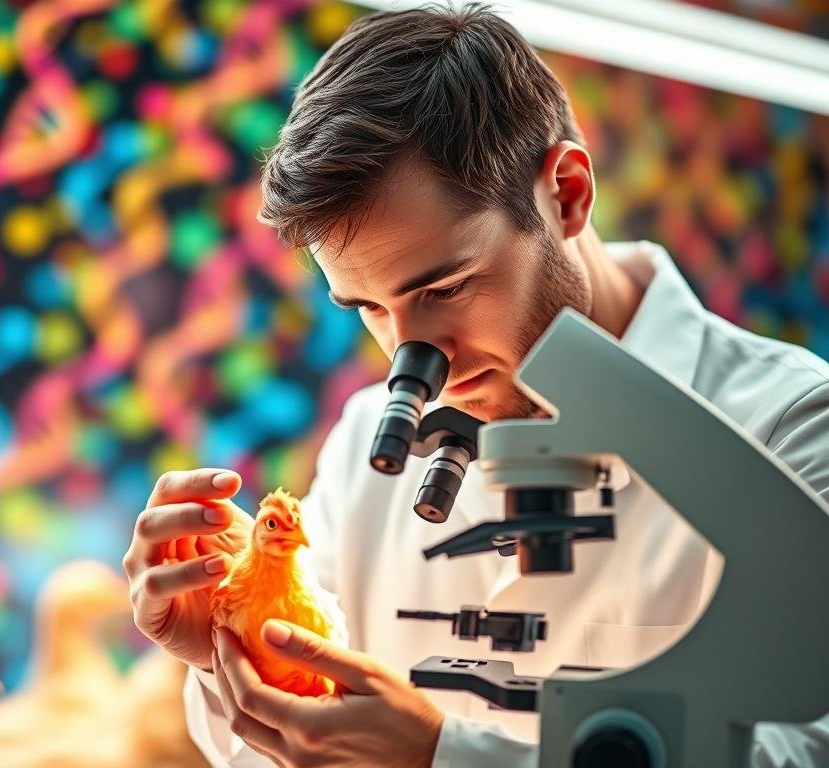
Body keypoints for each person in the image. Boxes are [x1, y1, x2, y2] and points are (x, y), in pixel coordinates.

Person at [123, 5, 829, 766]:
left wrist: (443, 758)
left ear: (567, 192)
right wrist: (236, 643)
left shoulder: (792, 428)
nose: (415, 361)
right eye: (368, 309)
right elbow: (296, 746)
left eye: (447, 288)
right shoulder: (368, 438)